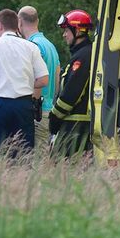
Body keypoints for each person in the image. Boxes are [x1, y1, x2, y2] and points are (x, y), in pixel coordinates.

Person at [0, 9, 49, 157]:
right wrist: (23, 82)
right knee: (23, 155)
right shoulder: (30, 47)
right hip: (23, 106)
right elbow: (43, 80)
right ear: (16, 26)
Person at [49, 9, 94, 157]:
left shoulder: (83, 56)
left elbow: (72, 92)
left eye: (67, 30)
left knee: (61, 170)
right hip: (75, 125)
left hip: (76, 127)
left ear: (78, 31)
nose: (64, 35)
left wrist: (54, 117)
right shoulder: (81, 54)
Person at [18, 6, 61, 146]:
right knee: (42, 157)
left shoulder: (32, 46)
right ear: (38, 20)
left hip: (37, 112)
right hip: (49, 109)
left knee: (32, 159)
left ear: (19, 22)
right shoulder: (50, 45)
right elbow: (57, 78)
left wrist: (32, 109)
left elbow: (36, 78)